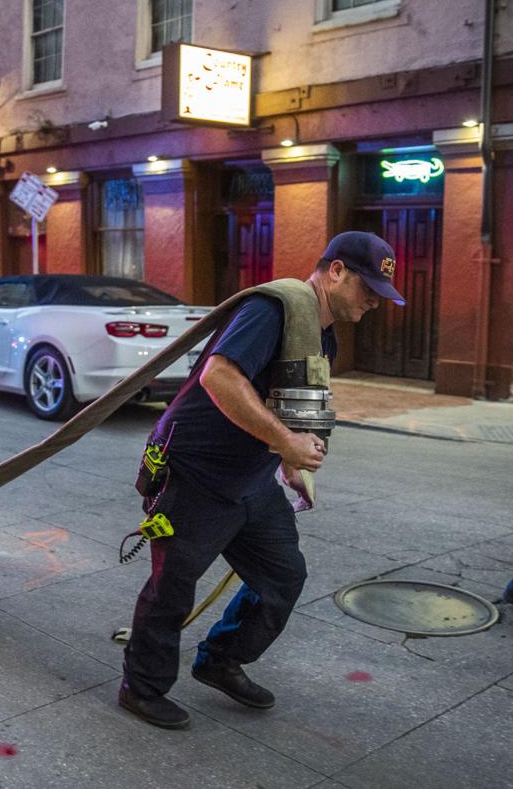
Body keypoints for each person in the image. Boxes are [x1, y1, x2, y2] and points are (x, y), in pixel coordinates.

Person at [119, 231, 405, 730]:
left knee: (283, 578)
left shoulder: (322, 331)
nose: (373, 304)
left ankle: (219, 659)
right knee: (172, 588)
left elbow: (291, 395)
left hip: (250, 479)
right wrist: (285, 442)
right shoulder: (271, 310)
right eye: (368, 290)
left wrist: (292, 455)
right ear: (335, 271)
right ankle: (141, 687)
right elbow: (219, 377)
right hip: (195, 473)